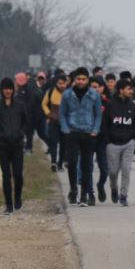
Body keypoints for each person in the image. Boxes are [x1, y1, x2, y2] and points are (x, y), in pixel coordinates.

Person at [59, 66, 102, 207]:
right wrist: (65, 128)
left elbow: (98, 114)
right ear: (74, 80)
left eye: (84, 79)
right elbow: (62, 114)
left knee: (86, 165)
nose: (81, 81)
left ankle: (84, 194)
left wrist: (95, 130)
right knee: (71, 162)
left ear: (87, 80)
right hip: (72, 132)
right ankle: (73, 189)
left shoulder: (94, 95)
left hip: (88, 133)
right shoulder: (67, 95)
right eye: (79, 79)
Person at [0, 77, 28, 213]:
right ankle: (8, 205)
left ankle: (17, 197)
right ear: (2, 90)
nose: (8, 91)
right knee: (7, 176)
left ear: (13, 90)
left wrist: (21, 133)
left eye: (10, 88)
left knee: (18, 175)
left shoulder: (20, 105)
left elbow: (25, 121)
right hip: (3, 146)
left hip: (17, 145)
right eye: (5, 88)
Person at [105, 78, 135, 206]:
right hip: (113, 143)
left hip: (128, 143)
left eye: (131, 89)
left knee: (126, 169)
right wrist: (108, 140)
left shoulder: (132, 106)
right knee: (113, 171)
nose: (131, 91)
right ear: (121, 90)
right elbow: (105, 124)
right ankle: (114, 188)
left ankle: (123, 195)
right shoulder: (110, 105)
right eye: (128, 89)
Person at [41, 70, 69, 171]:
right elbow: (44, 104)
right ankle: (53, 162)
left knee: (64, 144)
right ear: (56, 83)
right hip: (53, 121)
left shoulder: (69, 93)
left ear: (67, 83)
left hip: (66, 123)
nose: (62, 85)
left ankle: (61, 163)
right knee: (53, 142)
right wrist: (49, 114)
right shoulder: (51, 92)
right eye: (59, 83)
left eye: (64, 83)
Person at [90, 75, 112, 202]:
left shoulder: (108, 103)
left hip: (103, 140)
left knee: (104, 169)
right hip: (88, 138)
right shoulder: (85, 102)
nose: (95, 89)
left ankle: (100, 185)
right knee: (88, 168)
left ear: (102, 88)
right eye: (92, 87)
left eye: (97, 87)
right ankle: (90, 192)